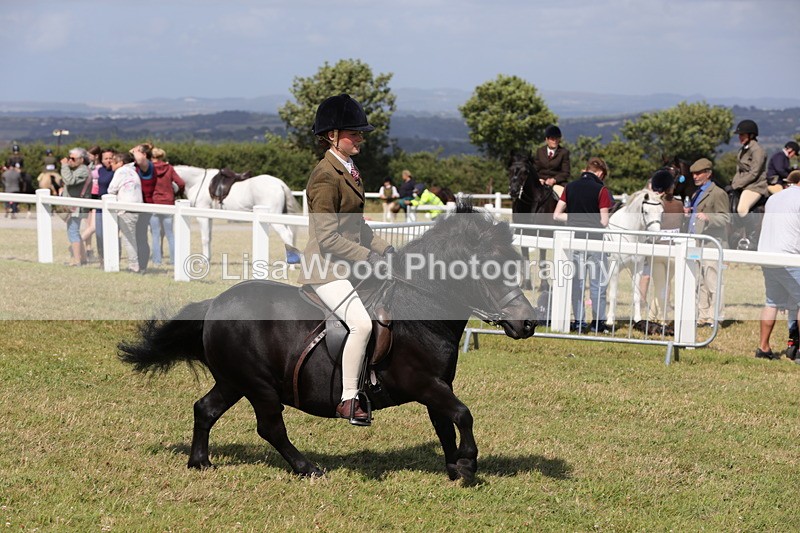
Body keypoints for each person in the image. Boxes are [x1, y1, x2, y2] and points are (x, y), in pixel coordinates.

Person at [297, 93, 394, 426]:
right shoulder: (325, 176)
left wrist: (386, 250)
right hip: (325, 267)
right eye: (355, 133)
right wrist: (369, 258)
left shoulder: (349, 170)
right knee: (362, 323)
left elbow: (358, 227)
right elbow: (327, 237)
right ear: (332, 136)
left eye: (360, 133)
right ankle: (348, 399)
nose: (361, 139)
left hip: (348, 263)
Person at [553, 156, 614, 333]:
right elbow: (603, 221)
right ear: (600, 173)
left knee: (577, 284)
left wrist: (575, 219)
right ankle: (598, 323)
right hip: (595, 242)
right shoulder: (601, 190)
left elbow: (557, 215)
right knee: (598, 285)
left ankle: (579, 322)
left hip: (575, 241)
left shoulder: (569, 187)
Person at [755, 169, 800, 361]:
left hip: (767, 255)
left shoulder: (774, 198)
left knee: (771, 302)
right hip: (789, 256)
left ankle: (763, 348)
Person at [685, 158, 730, 328]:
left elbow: (725, 218)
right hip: (698, 242)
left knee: (714, 283)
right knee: (701, 282)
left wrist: (709, 218)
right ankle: (703, 316)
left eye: (698, 173)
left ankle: (716, 317)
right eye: (693, 174)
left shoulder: (718, 193)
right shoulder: (697, 192)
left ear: (708, 174)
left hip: (712, 243)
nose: (695, 176)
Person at [647, 169, 683, 326]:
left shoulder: (654, 204)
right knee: (665, 285)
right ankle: (659, 317)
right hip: (673, 251)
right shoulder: (679, 204)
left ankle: (654, 316)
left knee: (660, 286)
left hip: (657, 250)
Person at [148, 146, 185, 265]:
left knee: (155, 234)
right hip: (168, 203)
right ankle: (174, 260)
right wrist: (176, 192)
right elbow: (181, 182)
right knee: (170, 234)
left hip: (154, 203)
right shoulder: (169, 168)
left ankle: (157, 261)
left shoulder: (149, 169)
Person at [107, 152, 143, 273]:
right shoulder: (133, 171)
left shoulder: (121, 171)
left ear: (121, 163)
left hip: (126, 208)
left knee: (128, 239)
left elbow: (111, 189)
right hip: (136, 208)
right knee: (131, 237)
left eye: (113, 162)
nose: (111, 164)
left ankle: (134, 266)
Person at [60, 147, 92, 266]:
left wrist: (64, 166)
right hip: (74, 205)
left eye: (72, 159)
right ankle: (82, 259)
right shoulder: (80, 168)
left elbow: (69, 180)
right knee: (75, 232)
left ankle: (77, 261)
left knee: (72, 232)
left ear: (81, 159)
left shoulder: (83, 170)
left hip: (76, 207)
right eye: (69, 158)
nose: (69, 161)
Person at [731, 119, 768, 219]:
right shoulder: (743, 149)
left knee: (741, 209)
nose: (740, 137)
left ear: (751, 135)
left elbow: (754, 173)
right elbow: (739, 171)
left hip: (755, 186)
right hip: (743, 185)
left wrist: (736, 185)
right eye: (739, 135)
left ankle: (751, 232)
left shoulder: (758, 150)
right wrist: (732, 183)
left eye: (742, 135)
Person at [130, 143, 156, 272]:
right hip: (137, 205)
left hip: (145, 206)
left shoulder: (148, 166)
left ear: (144, 154)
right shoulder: (138, 167)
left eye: (137, 152)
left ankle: (142, 266)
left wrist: (134, 152)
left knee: (141, 236)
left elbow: (140, 160)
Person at [533, 125, 571, 197]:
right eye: (552, 139)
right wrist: (539, 179)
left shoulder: (564, 152)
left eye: (557, 139)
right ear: (547, 139)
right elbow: (535, 169)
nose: (555, 141)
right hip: (541, 183)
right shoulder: (540, 151)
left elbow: (566, 173)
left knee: (564, 197)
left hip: (557, 184)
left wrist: (554, 180)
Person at [80, 146, 103, 261]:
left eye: (90, 155)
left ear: (96, 156)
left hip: (96, 196)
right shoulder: (87, 166)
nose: (87, 157)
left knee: (92, 226)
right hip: (89, 196)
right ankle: (84, 248)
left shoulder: (101, 167)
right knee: (90, 226)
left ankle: (82, 247)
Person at [94, 149, 115, 260]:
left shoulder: (117, 171)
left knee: (112, 234)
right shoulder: (101, 170)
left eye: (110, 158)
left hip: (112, 204)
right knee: (99, 233)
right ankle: (101, 257)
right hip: (100, 204)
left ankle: (113, 257)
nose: (108, 161)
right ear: (101, 160)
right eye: (105, 158)